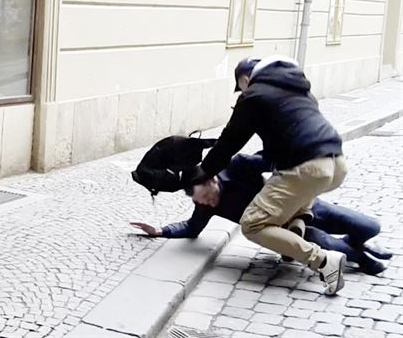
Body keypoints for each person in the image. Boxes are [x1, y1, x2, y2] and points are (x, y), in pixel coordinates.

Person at [180, 55, 348, 295]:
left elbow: (229, 143)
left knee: (253, 224)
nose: (241, 93)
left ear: (247, 79)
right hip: (336, 164)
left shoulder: (253, 96)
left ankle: (324, 262)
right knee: (293, 191)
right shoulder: (299, 90)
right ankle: (297, 225)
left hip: (306, 167)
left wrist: (202, 172)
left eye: (241, 87)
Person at [131, 154, 391, 276]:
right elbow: (191, 227)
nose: (208, 204)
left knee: (370, 227)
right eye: (202, 203)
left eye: (207, 196)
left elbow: (279, 160)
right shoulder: (206, 205)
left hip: (306, 207)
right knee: (326, 243)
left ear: (212, 180)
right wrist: (160, 231)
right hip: (288, 232)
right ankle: (361, 256)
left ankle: (359, 241)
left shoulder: (238, 165)